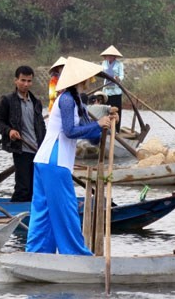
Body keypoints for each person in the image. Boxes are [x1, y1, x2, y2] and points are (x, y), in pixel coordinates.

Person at [27, 56, 117, 255]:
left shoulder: (77, 100)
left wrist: (108, 125)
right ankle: (75, 254)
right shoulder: (66, 99)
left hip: (48, 161)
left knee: (47, 211)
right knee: (65, 210)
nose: (88, 82)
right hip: (54, 159)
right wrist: (97, 124)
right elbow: (69, 131)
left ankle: (38, 253)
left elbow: (91, 135)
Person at [0, 65, 46, 202]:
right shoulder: (7, 100)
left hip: (37, 150)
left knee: (36, 187)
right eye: (23, 80)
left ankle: (33, 215)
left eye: (29, 81)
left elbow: (41, 126)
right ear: (15, 81)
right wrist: (9, 131)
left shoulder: (36, 102)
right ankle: (17, 214)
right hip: (21, 149)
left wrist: (46, 146)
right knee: (23, 188)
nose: (26, 84)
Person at [100, 45, 124, 128]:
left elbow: (121, 76)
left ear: (114, 56)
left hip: (116, 90)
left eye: (111, 56)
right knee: (106, 110)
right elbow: (102, 73)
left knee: (117, 110)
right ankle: (106, 128)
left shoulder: (119, 64)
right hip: (106, 90)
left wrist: (118, 79)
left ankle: (116, 129)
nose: (109, 57)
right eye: (108, 56)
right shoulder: (104, 63)